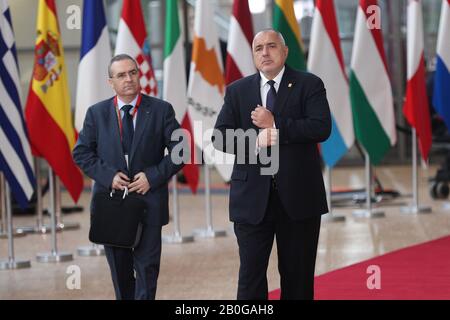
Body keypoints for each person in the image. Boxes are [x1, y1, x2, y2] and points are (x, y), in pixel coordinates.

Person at [213, 29, 331, 300]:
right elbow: (219, 137)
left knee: (297, 278)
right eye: (258, 48)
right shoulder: (237, 91)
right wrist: (257, 140)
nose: (264, 53)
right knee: (250, 278)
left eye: (271, 46)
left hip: (299, 199)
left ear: (285, 51)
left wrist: (276, 125)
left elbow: (321, 127)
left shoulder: (309, 84)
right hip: (252, 200)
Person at [73, 54, 185, 300]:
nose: (129, 79)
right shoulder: (97, 113)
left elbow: (181, 151)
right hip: (112, 206)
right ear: (110, 82)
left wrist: (152, 177)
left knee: (147, 271)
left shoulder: (160, 110)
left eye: (132, 72)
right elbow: (81, 153)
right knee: (121, 275)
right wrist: (108, 176)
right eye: (121, 75)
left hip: (149, 202)